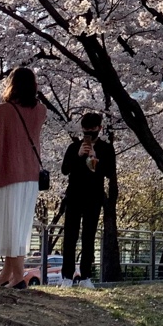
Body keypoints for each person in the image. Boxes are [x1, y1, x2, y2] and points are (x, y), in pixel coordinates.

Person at [0, 67, 47, 288]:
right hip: (31, 177)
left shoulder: (2, 110)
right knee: (18, 225)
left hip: (8, 174)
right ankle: (6, 274)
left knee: (10, 226)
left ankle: (18, 276)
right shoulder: (40, 110)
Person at [60, 111, 105, 288]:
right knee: (69, 237)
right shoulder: (74, 147)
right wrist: (78, 155)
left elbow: (109, 172)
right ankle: (67, 276)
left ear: (100, 128)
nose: (89, 133)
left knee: (89, 237)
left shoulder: (106, 149)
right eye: (86, 129)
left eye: (92, 129)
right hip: (74, 196)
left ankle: (85, 276)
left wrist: (95, 157)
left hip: (94, 198)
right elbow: (65, 170)